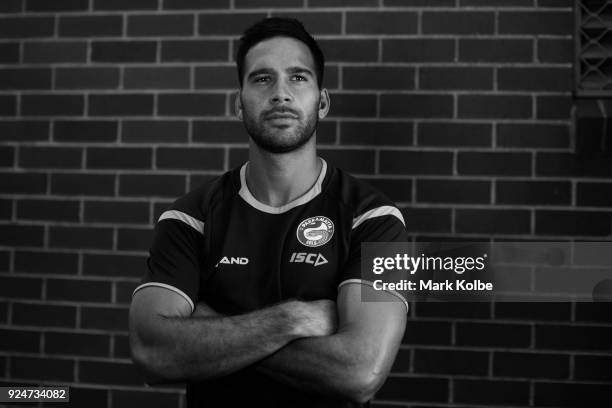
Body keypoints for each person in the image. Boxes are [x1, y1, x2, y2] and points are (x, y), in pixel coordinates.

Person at [129, 17, 408, 408]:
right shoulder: (190, 218)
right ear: (238, 103)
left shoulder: (373, 219)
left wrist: (210, 327)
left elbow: (360, 371)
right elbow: (150, 352)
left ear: (322, 102)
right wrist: (290, 320)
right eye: (262, 79)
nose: (281, 94)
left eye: (298, 78)